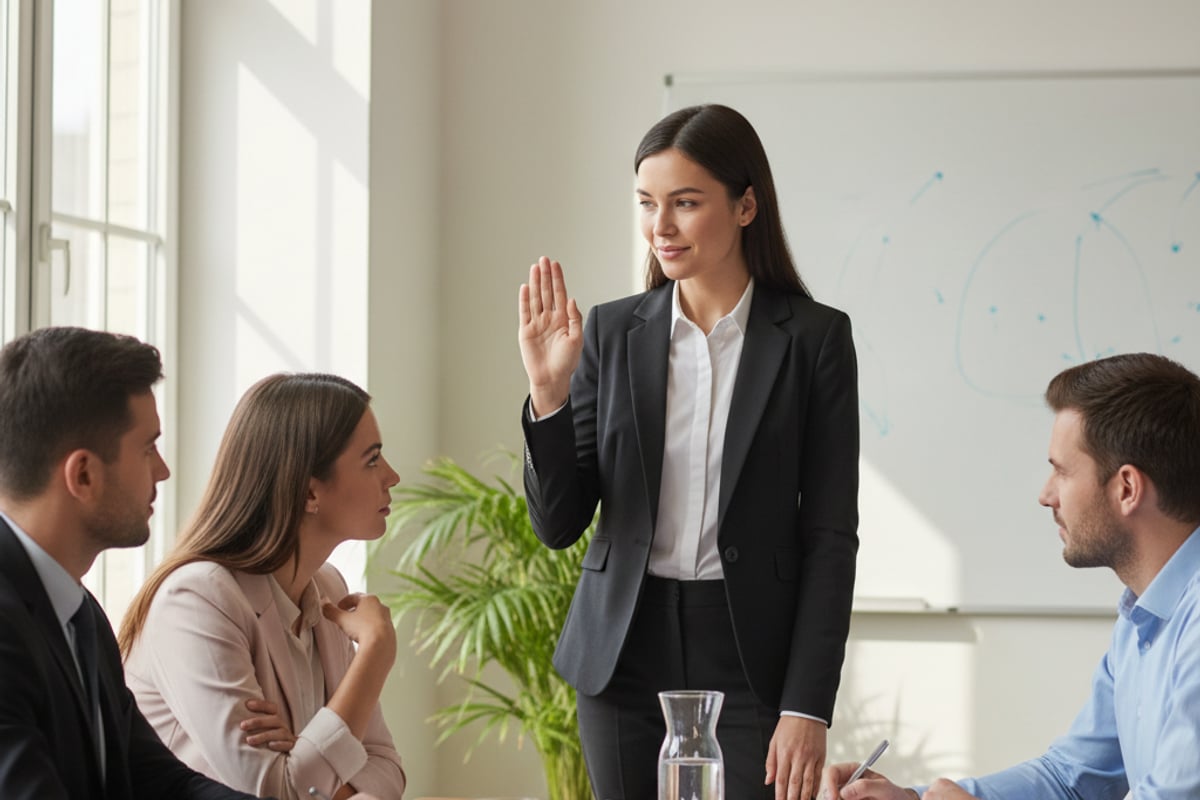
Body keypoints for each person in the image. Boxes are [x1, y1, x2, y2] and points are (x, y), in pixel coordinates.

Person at [518, 104, 860, 800]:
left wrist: (807, 704)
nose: (660, 227)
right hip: (624, 649)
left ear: (745, 206)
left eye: (685, 203)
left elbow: (830, 536)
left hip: (752, 650)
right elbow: (557, 525)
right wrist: (548, 397)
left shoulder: (814, 340)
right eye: (647, 203)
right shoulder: (612, 333)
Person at [820, 353, 1200, 800]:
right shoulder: (1141, 619)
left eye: (1061, 471)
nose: (1045, 495)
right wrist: (913, 798)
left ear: (1127, 488)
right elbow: (1071, 777)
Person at [0, 326, 266, 799]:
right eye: (148, 448)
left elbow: (157, 781)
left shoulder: (80, 614)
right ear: (83, 474)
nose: (162, 470)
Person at [118, 373, 406, 800]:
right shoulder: (197, 600)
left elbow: (387, 769)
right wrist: (376, 653)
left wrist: (307, 760)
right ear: (309, 493)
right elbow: (283, 791)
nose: (392, 476)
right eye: (372, 460)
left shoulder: (326, 587)